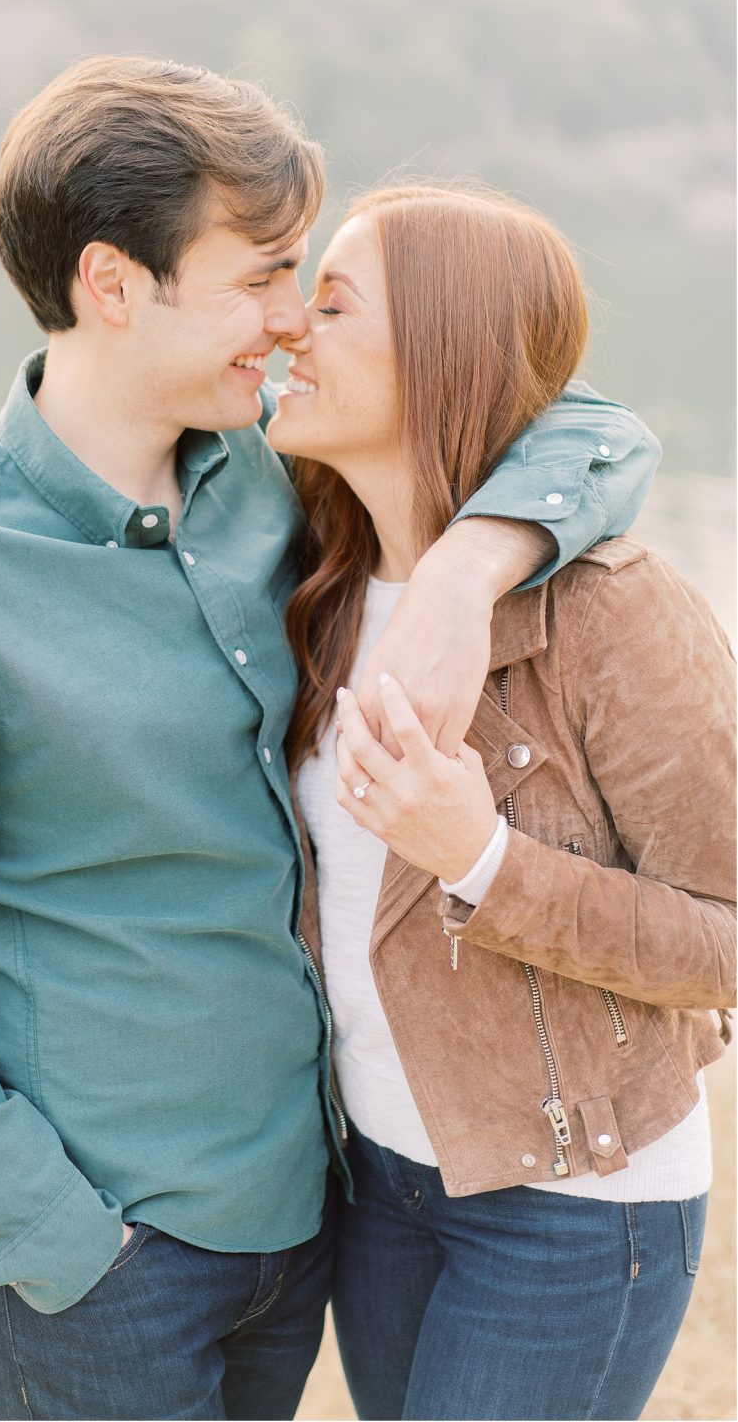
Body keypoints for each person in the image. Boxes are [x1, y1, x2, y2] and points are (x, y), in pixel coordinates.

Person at [0, 60, 660, 1422]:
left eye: (307, 279)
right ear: (111, 285)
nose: (292, 320)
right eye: (259, 279)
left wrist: (461, 572)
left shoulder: (277, 475)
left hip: (313, 1224)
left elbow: (591, 429)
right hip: (107, 1266)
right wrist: (59, 1239)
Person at [272, 181, 736, 1422]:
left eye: (329, 305)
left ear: (440, 351)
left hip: (573, 1211)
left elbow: (726, 940)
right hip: (379, 1187)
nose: (286, 334)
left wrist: (478, 856)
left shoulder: (610, 610)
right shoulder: (309, 580)